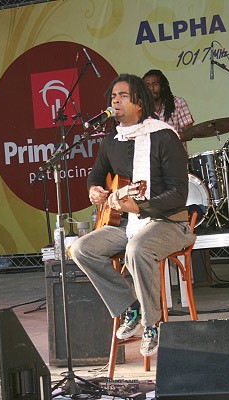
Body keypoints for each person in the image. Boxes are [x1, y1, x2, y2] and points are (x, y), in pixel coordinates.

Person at [69, 74, 196, 356]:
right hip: (129, 225)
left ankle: (153, 324)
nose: (115, 100)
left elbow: (179, 194)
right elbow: (96, 175)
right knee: (81, 249)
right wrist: (94, 190)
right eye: (113, 96)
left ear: (139, 103)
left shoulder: (164, 136)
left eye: (123, 96)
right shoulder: (112, 141)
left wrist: (138, 207)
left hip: (169, 222)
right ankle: (131, 307)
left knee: (138, 249)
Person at [142, 69, 194, 145]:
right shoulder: (140, 107)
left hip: (175, 152)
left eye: (155, 84)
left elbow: (189, 133)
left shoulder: (178, 103)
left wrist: (164, 139)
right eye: (147, 85)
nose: (151, 88)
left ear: (162, 86)